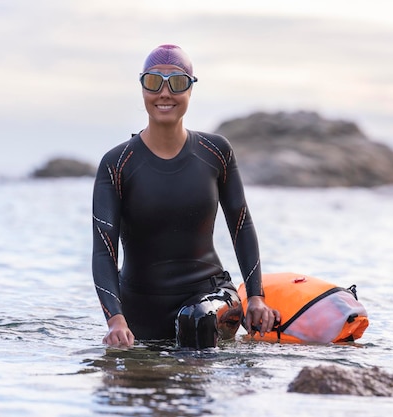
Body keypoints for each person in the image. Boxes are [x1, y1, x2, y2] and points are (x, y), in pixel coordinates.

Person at [92, 44, 280, 349]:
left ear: (191, 89)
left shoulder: (216, 152)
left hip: (211, 299)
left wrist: (257, 297)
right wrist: (116, 320)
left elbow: (241, 225)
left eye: (177, 82)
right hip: (141, 309)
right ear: (142, 88)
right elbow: (104, 251)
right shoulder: (117, 165)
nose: (165, 93)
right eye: (153, 82)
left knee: (197, 320)